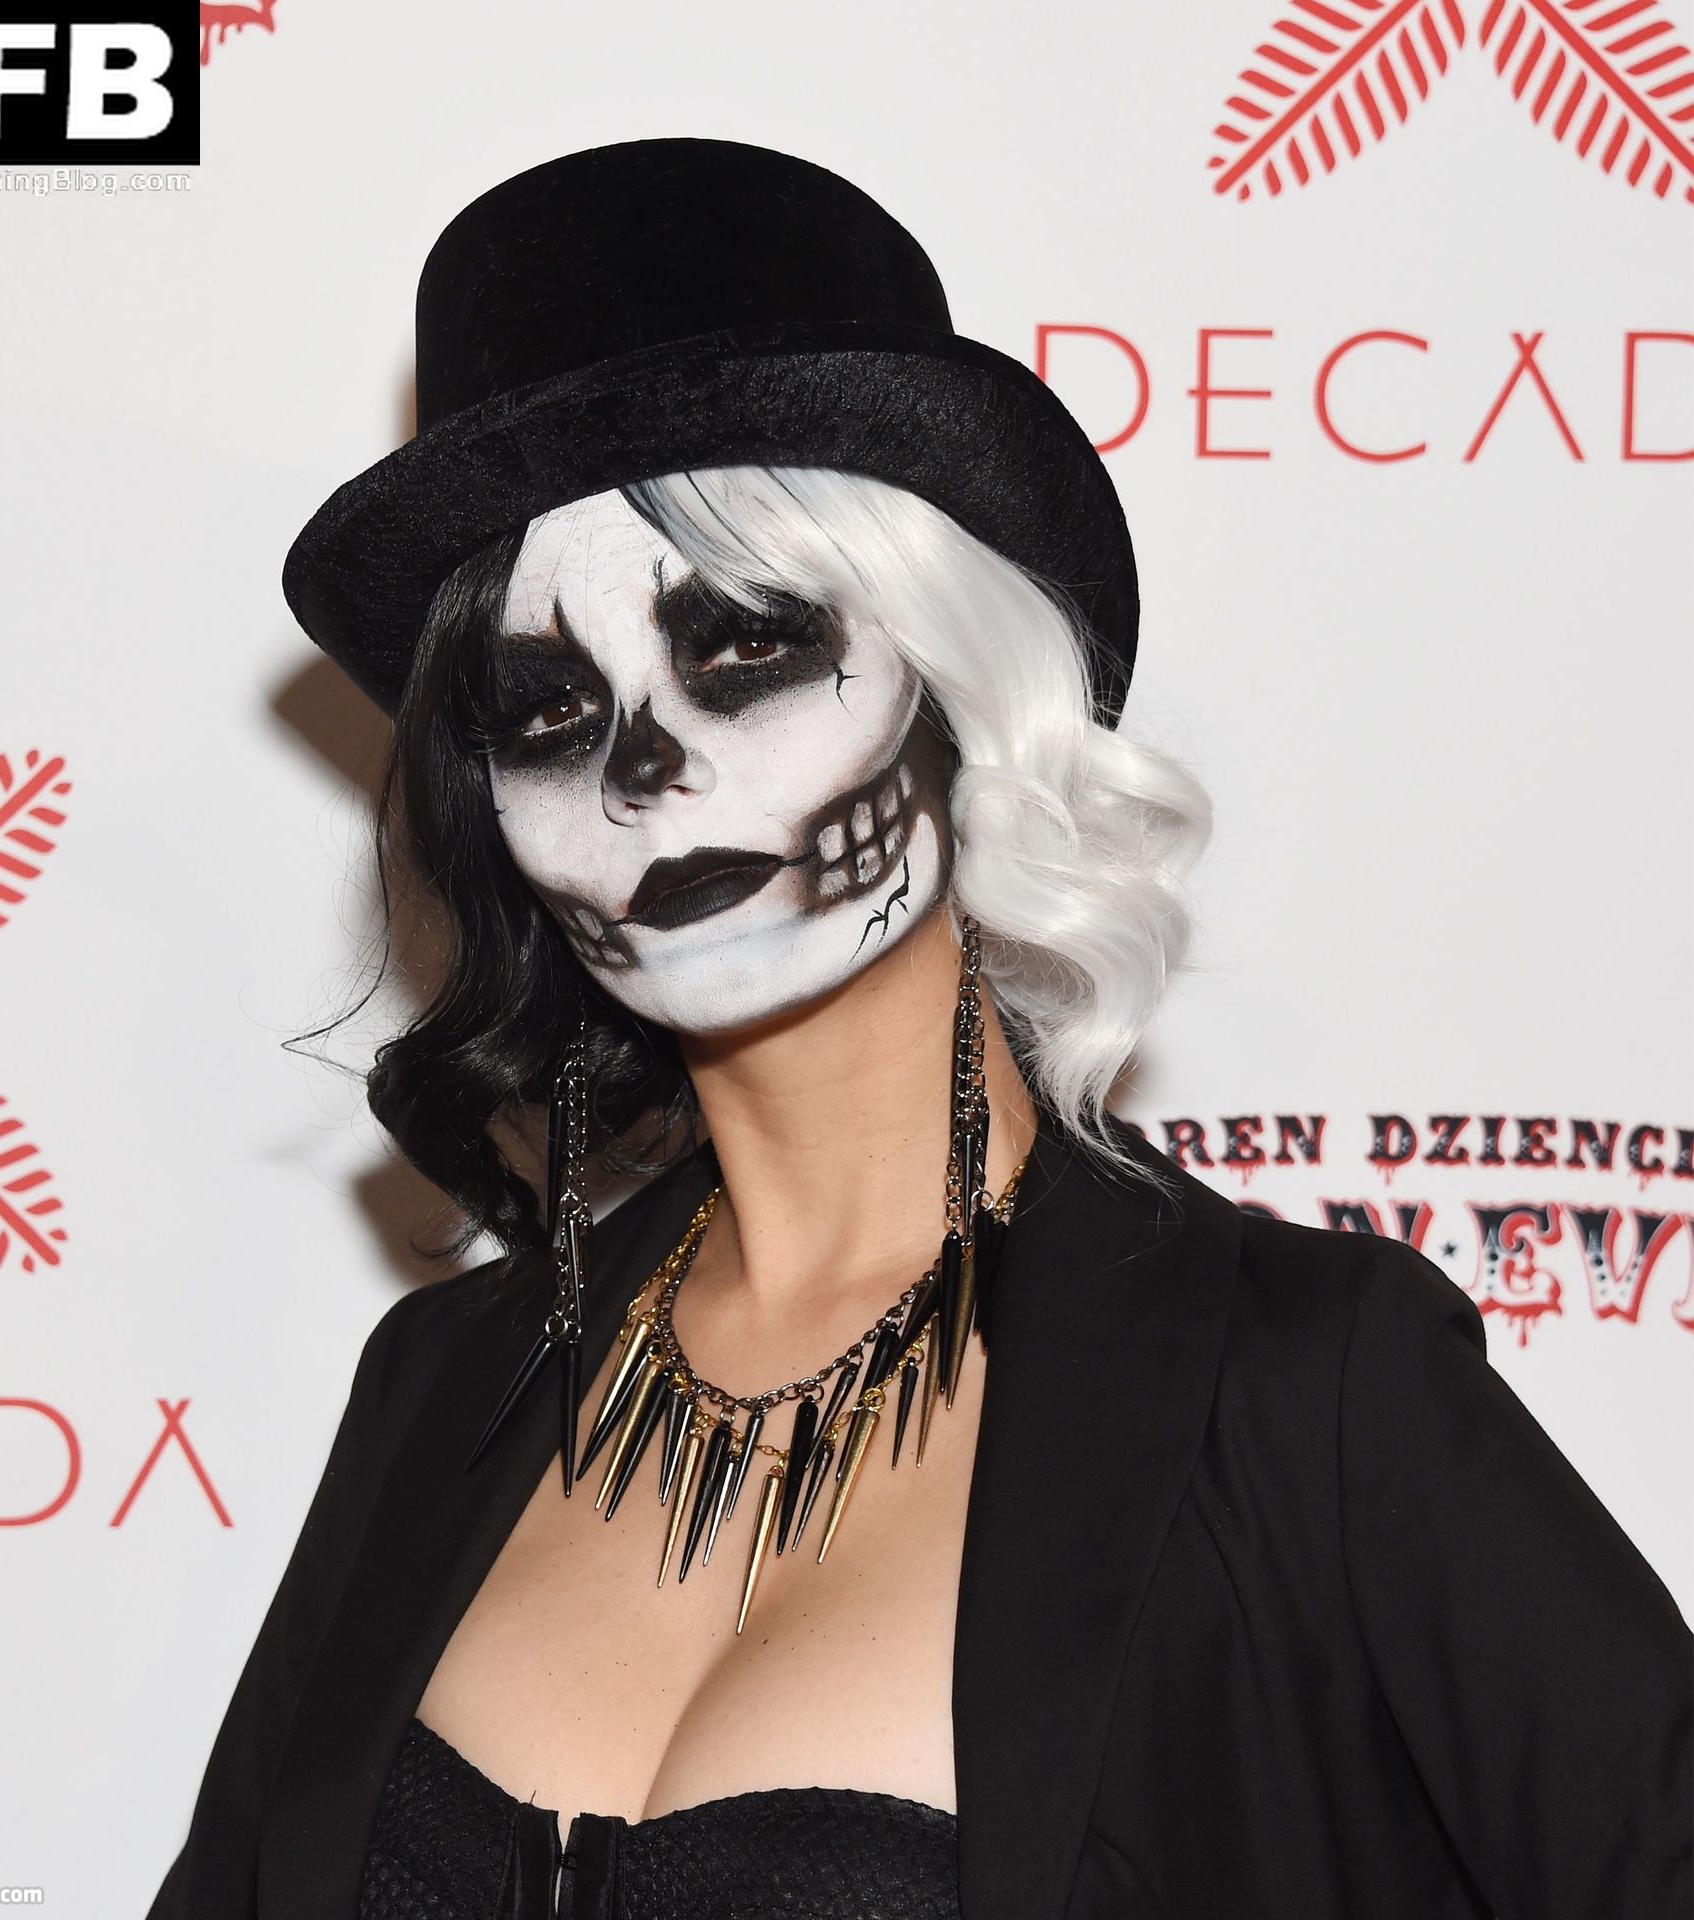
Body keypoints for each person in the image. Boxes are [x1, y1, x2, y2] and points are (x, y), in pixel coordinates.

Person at [146, 138, 1692, 1920]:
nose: (648, 775)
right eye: (548, 710)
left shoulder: (1299, 1394)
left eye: (743, 648)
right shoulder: (441, 1392)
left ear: (958, 682)